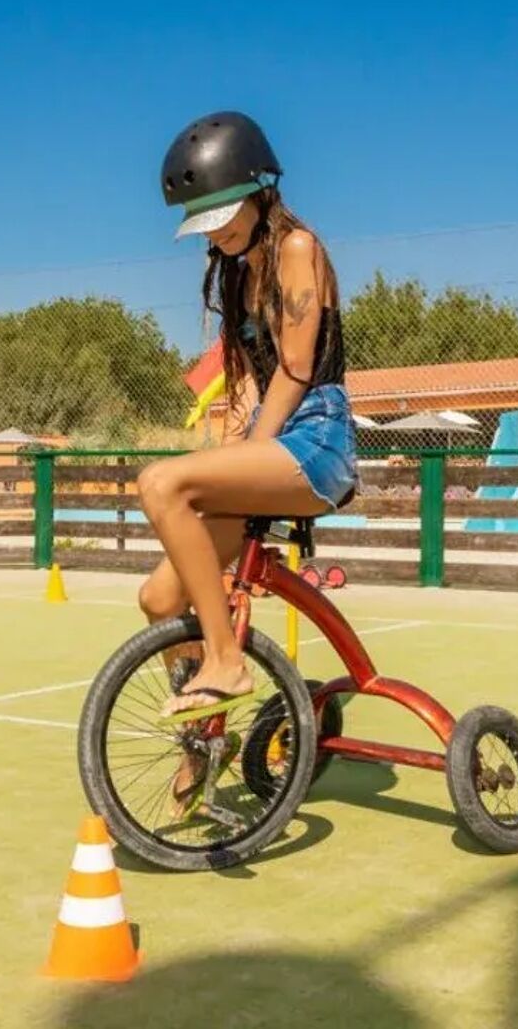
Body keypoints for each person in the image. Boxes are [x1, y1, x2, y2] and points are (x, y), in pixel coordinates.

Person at [137, 111, 356, 735]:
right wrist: (231, 455)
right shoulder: (236, 275)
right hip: (270, 440)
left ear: (259, 189)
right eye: (202, 221)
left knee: (160, 482)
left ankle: (227, 662)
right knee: (158, 599)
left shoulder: (297, 249)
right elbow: (244, 390)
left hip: (315, 440)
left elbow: (295, 369)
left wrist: (244, 457)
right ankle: (202, 740)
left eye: (223, 214)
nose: (215, 231)